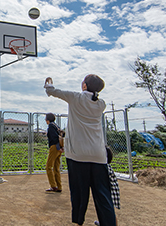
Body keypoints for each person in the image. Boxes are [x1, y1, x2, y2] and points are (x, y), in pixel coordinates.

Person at [44, 74, 116, 226]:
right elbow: (92, 99)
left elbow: (51, 91)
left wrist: (49, 82)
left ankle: (79, 220)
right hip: (98, 155)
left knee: (79, 193)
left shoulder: (75, 97)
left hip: (77, 155)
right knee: (103, 194)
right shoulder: (101, 104)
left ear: (84, 86)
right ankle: (108, 222)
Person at [94, 146, 120, 226]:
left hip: (108, 190)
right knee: (105, 208)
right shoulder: (107, 166)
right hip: (110, 189)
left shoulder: (104, 168)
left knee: (108, 209)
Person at [45, 113, 64, 193]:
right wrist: (61, 147)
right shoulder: (56, 126)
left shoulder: (51, 127)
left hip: (54, 147)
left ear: (47, 120)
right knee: (56, 167)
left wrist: (57, 147)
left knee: (48, 167)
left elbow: (54, 138)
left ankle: (53, 186)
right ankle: (59, 186)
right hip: (59, 147)